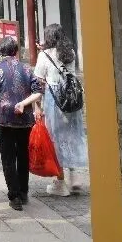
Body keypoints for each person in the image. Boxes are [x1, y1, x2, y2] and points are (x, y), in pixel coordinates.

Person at [34, 23, 88, 196]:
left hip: (54, 99)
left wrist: (37, 106)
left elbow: (39, 82)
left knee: (56, 138)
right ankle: (75, 178)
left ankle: (60, 182)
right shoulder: (70, 52)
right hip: (71, 97)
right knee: (72, 135)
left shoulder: (44, 55)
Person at [0, 35, 43, 210]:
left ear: (1, 51)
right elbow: (38, 91)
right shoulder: (26, 69)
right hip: (24, 119)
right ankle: (23, 191)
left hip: (4, 118)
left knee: (8, 158)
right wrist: (25, 104)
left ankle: (14, 196)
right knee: (22, 155)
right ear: (16, 51)